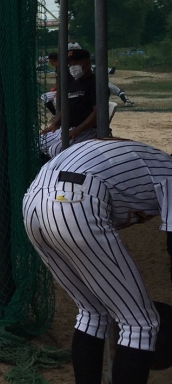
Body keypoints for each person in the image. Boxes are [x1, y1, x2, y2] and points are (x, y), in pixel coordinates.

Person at [23, 138, 172, 384]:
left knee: (92, 311)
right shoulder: (168, 171)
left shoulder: (153, 162)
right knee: (141, 324)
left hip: (34, 201)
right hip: (74, 200)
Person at [40, 48, 97, 158]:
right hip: (66, 128)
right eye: (70, 64)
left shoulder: (95, 83)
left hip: (86, 130)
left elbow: (97, 113)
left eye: (76, 63)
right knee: (37, 143)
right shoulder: (74, 83)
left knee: (56, 150)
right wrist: (55, 124)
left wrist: (77, 130)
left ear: (87, 62)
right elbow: (67, 108)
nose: (72, 67)